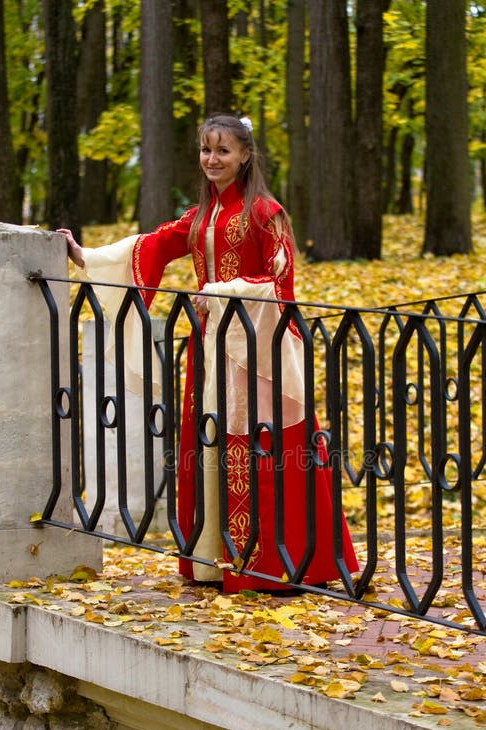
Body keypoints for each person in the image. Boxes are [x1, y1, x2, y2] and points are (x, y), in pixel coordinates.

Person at [60, 113, 357, 592]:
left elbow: (280, 280)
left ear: (244, 155)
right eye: (205, 150)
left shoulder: (266, 212)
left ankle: (280, 565)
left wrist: (221, 290)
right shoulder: (201, 217)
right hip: (211, 350)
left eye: (222, 150)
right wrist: (84, 256)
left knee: (266, 449)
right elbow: (152, 245)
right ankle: (216, 562)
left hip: (258, 352)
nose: (212, 159)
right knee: (211, 443)